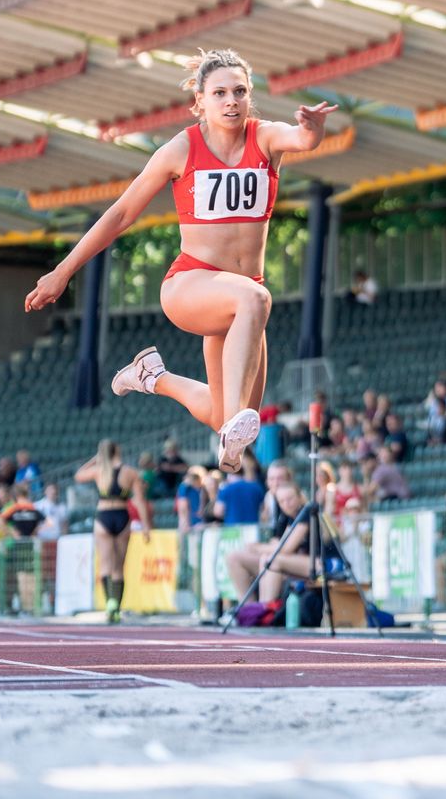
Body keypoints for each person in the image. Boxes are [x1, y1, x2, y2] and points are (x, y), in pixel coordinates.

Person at [25, 48, 335, 470]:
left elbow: (299, 139)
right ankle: (227, 429)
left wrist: (313, 130)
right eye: (221, 93)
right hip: (192, 285)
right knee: (257, 304)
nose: (231, 101)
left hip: (236, 300)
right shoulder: (181, 149)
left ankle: (153, 377)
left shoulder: (263, 138)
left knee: (227, 413)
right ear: (200, 103)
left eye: (240, 92)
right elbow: (119, 213)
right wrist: (62, 273)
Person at [224, 466, 313, 609]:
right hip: (290, 561)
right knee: (234, 557)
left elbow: (285, 549)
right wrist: (262, 548)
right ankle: (248, 609)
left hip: (316, 563)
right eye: (282, 501)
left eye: (289, 499)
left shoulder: (305, 511)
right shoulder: (288, 515)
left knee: (270, 559)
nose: (286, 504)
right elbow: (279, 543)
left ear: (298, 496)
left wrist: (257, 547)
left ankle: (264, 609)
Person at [75, 439, 144, 623]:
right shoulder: (130, 472)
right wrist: (145, 526)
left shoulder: (100, 471)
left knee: (105, 564)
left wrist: (95, 459)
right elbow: (139, 500)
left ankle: (109, 604)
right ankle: (116, 607)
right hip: (122, 515)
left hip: (103, 516)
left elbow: (78, 475)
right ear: (118, 450)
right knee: (119, 566)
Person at [218, 456, 266, 525]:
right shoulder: (256, 487)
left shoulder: (226, 489)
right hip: (252, 528)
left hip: (232, 529)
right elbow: (263, 510)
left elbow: (218, 511)